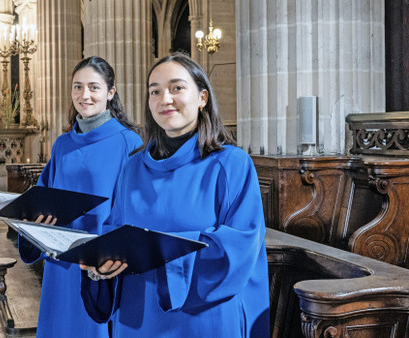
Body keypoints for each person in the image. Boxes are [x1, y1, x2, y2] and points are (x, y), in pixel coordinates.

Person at [80, 52, 270, 337]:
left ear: (202, 97)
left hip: (202, 318)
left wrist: (158, 252)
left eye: (177, 88)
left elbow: (239, 246)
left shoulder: (231, 164)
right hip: (138, 318)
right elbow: (114, 234)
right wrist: (98, 265)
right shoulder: (132, 168)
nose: (164, 98)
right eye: (154, 91)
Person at [18, 56, 142, 337]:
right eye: (77, 87)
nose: (84, 95)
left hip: (100, 265)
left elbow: (135, 208)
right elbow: (41, 196)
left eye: (94, 87)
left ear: (111, 93)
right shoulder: (62, 144)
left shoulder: (129, 142)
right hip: (60, 262)